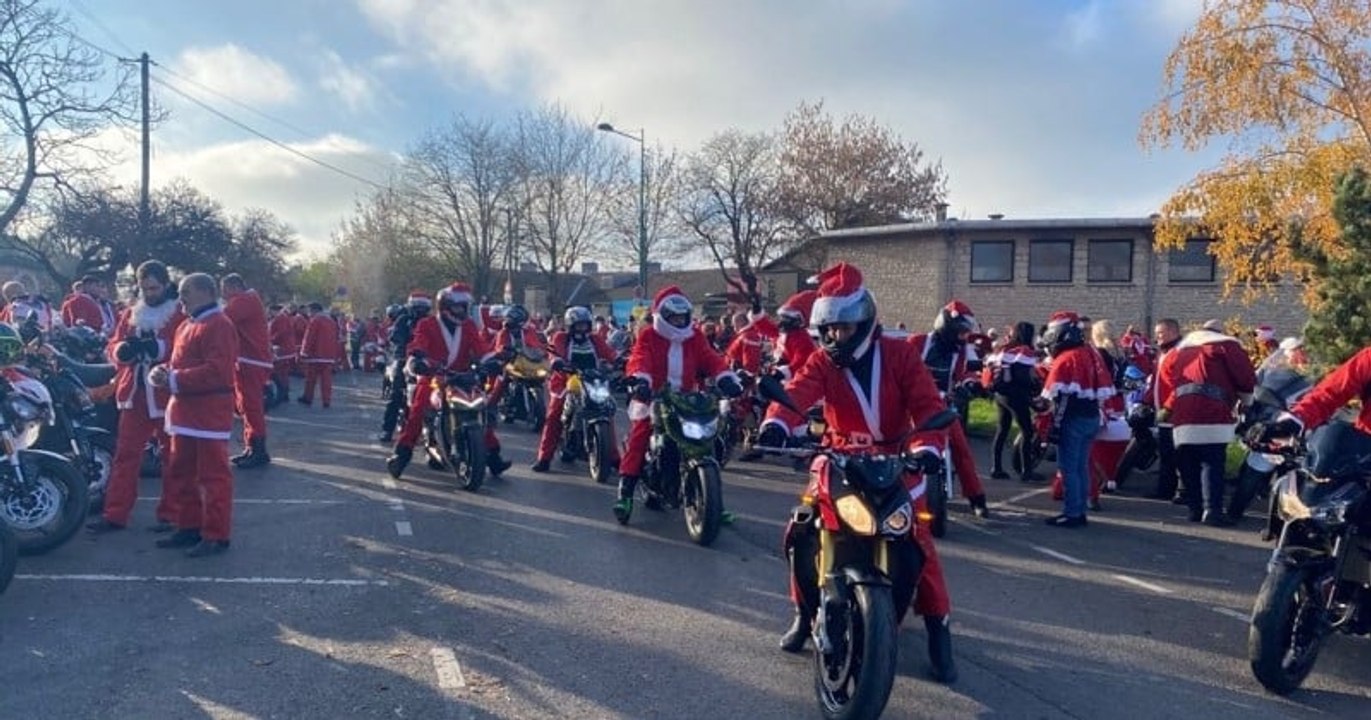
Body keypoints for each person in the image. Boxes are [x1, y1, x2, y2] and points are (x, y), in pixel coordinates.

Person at [760, 262, 958, 684]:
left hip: (896, 461)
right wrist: (777, 422)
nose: (835, 337)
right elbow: (796, 391)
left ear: (864, 320)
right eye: (828, 330)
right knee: (801, 530)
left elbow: (927, 405)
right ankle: (803, 611)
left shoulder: (901, 354)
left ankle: (939, 629)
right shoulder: (821, 361)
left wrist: (925, 446)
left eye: (843, 329)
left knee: (919, 543)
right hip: (838, 458)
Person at [614, 285, 742, 523]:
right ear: (662, 315)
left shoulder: (695, 337)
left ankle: (715, 503)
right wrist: (641, 380)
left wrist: (726, 378)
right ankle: (625, 492)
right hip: (654, 396)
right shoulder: (649, 335)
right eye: (674, 316)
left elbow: (712, 359)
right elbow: (639, 358)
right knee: (640, 436)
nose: (679, 320)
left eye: (683, 316)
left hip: (686, 400)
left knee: (708, 440)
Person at [86, 261, 185, 535]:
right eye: (144, 288)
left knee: (173, 456)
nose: (149, 293)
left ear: (165, 285)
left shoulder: (178, 313)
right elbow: (113, 343)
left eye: (153, 288)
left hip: (166, 394)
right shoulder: (131, 312)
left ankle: (172, 513)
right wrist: (121, 350)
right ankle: (115, 514)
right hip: (134, 393)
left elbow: (185, 348)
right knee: (125, 455)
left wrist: (159, 348)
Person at [148, 273, 239, 557]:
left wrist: (174, 379)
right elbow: (181, 363)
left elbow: (217, 372)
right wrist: (162, 372)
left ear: (205, 292)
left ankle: (216, 535)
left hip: (208, 413)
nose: (181, 297)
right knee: (181, 473)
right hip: (185, 412)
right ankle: (189, 526)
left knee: (213, 477)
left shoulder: (220, 324)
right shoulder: (187, 325)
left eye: (186, 291)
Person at [386, 283, 512, 479]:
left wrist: (493, 360)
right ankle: (401, 456)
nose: (461, 311)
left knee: (480, 411)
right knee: (417, 411)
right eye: (457, 307)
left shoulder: (469, 326)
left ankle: (493, 457)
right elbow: (418, 343)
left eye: (464, 307)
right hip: (434, 376)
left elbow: (481, 348)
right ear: (444, 306)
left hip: (462, 378)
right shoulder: (427, 324)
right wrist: (417, 359)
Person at [1158, 322, 1256, 526]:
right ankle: (1212, 511)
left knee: (1189, 461)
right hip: (1213, 409)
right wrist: (1247, 402)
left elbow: (1172, 381)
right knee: (1212, 462)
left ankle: (1194, 509)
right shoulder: (1226, 346)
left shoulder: (1181, 350)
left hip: (1183, 411)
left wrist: (1167, 408)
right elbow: (1245, 377)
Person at [907, 301, 991, 519]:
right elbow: (901, 368)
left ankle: (976, 498)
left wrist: (970, 384)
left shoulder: (962, 351)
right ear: (947, 326)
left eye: (966, 332)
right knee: (895, 443)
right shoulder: (918, 342)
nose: (964, 337)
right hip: (912, 406)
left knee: (962, 451)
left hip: (943, 405)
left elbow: (968, 373)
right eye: (961, 331)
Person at [1040, 311, 1115, 528]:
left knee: (1069, 468)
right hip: (1091, 416)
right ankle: (1080, 510)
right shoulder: (1089, 353)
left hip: (1073, 419)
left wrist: (1055, 424)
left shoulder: (1068, 358)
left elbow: (1063, 397)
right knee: (1081, 467)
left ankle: (1072, 512)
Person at [532, 306, 619, 472]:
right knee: (554, 415)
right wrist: (557, 361)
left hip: (593, 380)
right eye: (578, 325)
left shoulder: (595, 339)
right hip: (566, 381)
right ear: (570, 325)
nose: (582, 328)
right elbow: (553, 352)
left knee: (606, 411)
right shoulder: (561, 337)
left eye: (585, 325)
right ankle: (544, 458)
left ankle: (614, 457)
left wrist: (619, 360)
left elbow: (609, 353)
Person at [220, 274, 273, 469]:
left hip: (252, 361)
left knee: (251, 406)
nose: (223, 294)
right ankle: (252, 447)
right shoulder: (249, 300)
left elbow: (222, 317)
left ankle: (258, 450)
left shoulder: (245, 300)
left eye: (224, 289)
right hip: (249, 360)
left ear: (234, 287)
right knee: (246, 406)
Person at [756, 290, 820, 444]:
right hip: (777, 377)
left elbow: (801, 361)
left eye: (786, 318)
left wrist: (781, 373)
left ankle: (796, 437)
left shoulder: (801, 338)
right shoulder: (784, 334)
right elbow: (765, 328)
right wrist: (757, 311)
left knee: (785, 407)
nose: (781, 321)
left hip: (794, 381)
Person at [985, 322, 1041, 482]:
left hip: (1000, 394)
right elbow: (1024, 378)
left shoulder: (1003, 348)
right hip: (1016, 395)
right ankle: (1027, 471)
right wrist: (1034, 389)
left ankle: (996, 467)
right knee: (1027, 431)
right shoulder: (1024, 351)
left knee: (1002, 429)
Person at [377, 292, 432, 443]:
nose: (421, 310)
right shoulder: (404, 320)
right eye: (418, 307)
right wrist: (404, 346)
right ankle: (387, 430)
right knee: (396, 395)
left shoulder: (432, 322)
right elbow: (395, 336)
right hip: (404, 358)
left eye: (424, 307)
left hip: (426, 360)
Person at [1146, 318, 1184, 501]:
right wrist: (1146, 402)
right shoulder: (1163, 354)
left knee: (1176, 455)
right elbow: (1156, 381)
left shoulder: (1178, 354)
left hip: (1173, 414)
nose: (1157, 337)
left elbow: (1179, 385)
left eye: (1161, 333)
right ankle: (1165, 489)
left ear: (1172, 332)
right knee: (1166, 453)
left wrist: (1168, 408)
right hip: (1162, 411)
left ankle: (1178, 490)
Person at [299, 302, 340, 407]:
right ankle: (326, 400)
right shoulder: (331, 321)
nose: (308, 313)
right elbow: (335, 338)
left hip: (315, 355)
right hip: (328, 355)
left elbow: (309, 337)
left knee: (311, 378)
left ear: (314, 310)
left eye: (309, 310)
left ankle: (308, 397)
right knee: (326, 380)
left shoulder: (315, 320)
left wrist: (304, 351)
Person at [268, 304, 297, 403]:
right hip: (286, 348)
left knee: (279, 373)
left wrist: (270, 340)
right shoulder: (284, 318)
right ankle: (284, 394)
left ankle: (282, 394)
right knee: (283, 373)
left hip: (282, 349)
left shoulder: (280, 318)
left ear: (274, 310)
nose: (269, 313)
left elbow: (280, 333)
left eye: (270, 311)